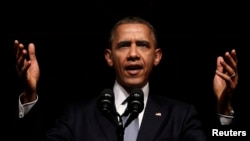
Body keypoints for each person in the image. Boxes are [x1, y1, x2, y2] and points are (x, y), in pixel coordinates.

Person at [14, 16, 240, 141]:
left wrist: (224, 109)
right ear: (109, 57)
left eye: (142, 45)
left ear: (157, 57)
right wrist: (30, 95)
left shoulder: (181, 116)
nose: (133, 54)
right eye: (123, 46)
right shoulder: (77, 117)